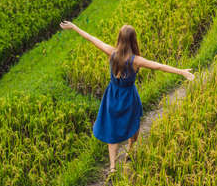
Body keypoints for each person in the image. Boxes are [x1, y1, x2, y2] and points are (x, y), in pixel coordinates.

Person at [60, 21, 195, 173]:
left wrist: (74, 26)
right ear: (133, 40)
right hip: (129, 98)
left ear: (119, 39)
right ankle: (130, 150)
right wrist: (181, 71)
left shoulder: (111, 53)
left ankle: (112, 167)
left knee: (112, 129)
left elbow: (91, 38)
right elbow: (159, 66)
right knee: (134, 124)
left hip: (112, 96)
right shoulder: (136, 60)